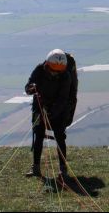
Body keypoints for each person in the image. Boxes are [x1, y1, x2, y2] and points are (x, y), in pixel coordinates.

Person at [25, 49, 73, 178]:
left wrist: (52, 113)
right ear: (47, 65)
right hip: (39, 108)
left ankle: (63, 170)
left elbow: (63, 98)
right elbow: (28, 87)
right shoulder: (39, 70)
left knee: (59, 137)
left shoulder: (66, 76)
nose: (54, 72)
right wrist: (31, 88)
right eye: (52, 69)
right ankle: (35, 167)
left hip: (59, 109)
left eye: (58, 71)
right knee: (38, 135)